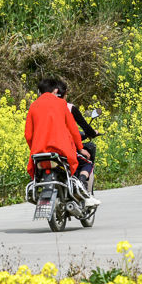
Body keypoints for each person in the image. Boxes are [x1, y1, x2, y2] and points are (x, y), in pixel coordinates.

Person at [25, 78, 101, 208]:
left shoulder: (33, 106)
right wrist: (80, 147)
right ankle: (83, 193)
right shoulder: (61, 104)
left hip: (39, 153)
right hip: (61, 151)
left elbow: (28, 135)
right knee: (86, 162)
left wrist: (35, 148)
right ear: (55, 90)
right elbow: (73, 130)